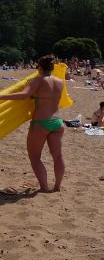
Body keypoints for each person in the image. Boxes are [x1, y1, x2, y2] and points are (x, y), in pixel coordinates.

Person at [0, 55, 65, 192]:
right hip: (58, 122)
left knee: (35, 157)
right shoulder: (60, 81)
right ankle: (57, 186)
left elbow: (24, 95)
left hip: (41, 122)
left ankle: (44, 188)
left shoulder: (39, 80)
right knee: (57, 156)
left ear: (40, 67)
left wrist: (2, 96)